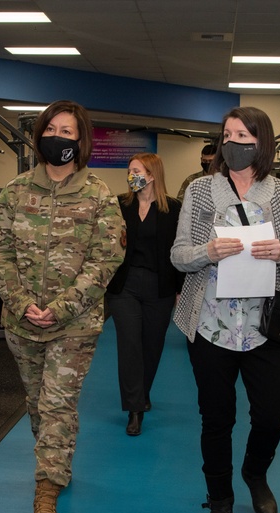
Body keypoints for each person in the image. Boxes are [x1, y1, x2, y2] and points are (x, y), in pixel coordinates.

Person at [0, 100, 125, 513]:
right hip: (22, 321)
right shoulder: (15, 192)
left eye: (69, 132)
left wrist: (62, 307)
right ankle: (56, 461)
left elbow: (107, 259)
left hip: (75, 323)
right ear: (40, 134)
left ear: (81, 141)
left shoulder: (99, 195)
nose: (59, 138)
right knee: (36, 405)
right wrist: (22, 301)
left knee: (57, 403)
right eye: (53, 129)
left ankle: (46, 497)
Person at [171, 106, 280, 513]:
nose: (233, 143)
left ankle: (255, 471)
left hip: (265, 327)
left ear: (261, 142)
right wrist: (207, 251)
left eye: (243, 135)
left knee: (271, 416)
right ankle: (221, 502)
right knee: (216, 419)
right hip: (210, 324)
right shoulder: (201, 192)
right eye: (227, 134)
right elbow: (178, 255)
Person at [106, 153, 184, 436]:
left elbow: (178, 251)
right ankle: (134, 408)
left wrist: (179, 288)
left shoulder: (173, 209)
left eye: (136, 171)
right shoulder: (118, 205)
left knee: (152, 346)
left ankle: (142, 394)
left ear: (151, 175)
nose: (131, 176)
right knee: (129, 345)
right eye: (129, 171)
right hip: (124, 287)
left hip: (159, 286)